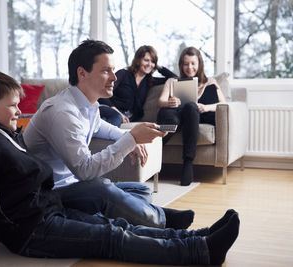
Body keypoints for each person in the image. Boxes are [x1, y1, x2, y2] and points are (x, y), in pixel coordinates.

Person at [0, 69, 240, 265]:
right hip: (30, 231)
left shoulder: (5, 133)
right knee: (112, 240)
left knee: (115, 226)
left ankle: (194, 238)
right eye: (13, 105)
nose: (20, 110)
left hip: (48, 211)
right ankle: (199, 253)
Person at [23, 39, 194, 230]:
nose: (114, 77)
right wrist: (131, 139)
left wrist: (128, 137)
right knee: (101, 189)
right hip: (52, 191)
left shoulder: (90, 106)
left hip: (74, 184)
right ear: (82, 73)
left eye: (113, 70)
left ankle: (103, 215)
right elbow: (85, 170)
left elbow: (103, 128)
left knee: (141, 190)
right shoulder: (62, 111)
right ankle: (163, 220)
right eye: (106, 71)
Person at [157, 46, 226, 186]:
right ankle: (154, 147)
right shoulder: (172, 81)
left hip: (191, 116)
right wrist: (170, 101)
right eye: (186, 63)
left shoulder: (210, 82)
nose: (189, 67)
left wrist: (205, 107)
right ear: (181, 65)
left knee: (191, 107)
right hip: (173, 113)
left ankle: (187, 163)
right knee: (173, 119)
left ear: (199, 64)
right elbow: (160, 101)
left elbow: (223, 105)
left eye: (193, 63)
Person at [98, 45, 177, 126]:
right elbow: (102, 94)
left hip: (128, 119)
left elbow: (174, 77)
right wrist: (116, 111)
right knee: (115, 118)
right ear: (138, 60)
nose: (149, 64)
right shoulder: (123, 74)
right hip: (109, 109)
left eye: (153, 61)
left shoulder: (149, 81)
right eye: (146, 60)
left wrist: (157, 66)